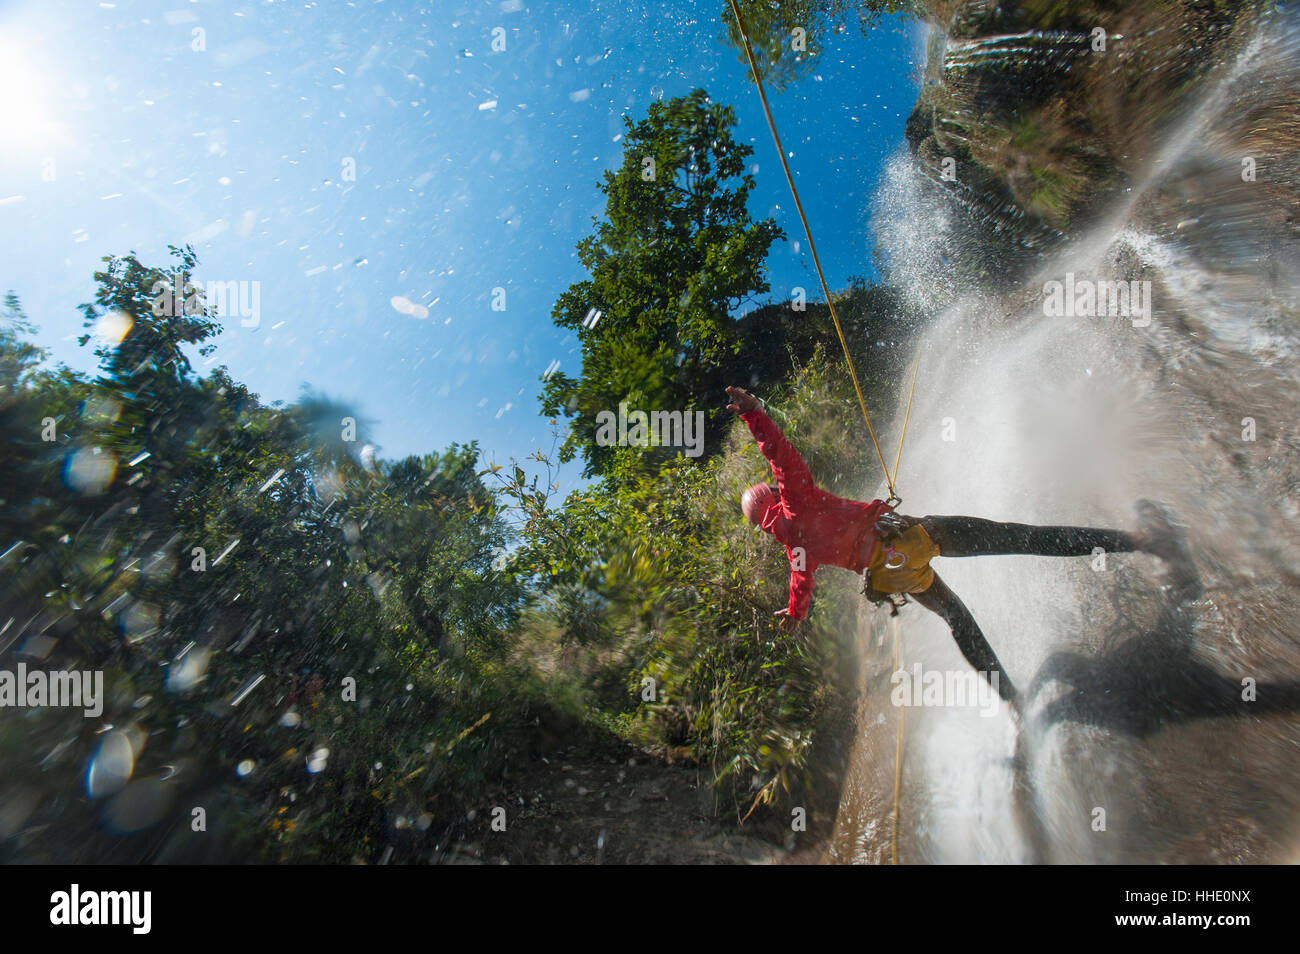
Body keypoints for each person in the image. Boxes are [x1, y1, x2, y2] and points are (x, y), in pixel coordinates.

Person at [725, 385, 1189, 707]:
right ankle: (1148, 541)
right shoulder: (794, 500)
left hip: (892, 575)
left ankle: (1013, 703)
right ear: (770, 495)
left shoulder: (794, 551)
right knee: (1023, 539)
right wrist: (751, 411)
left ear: (758, 526)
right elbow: (779, 452)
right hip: (907, 536)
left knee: (955, 618)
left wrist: (796, 615)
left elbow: (800, 588)